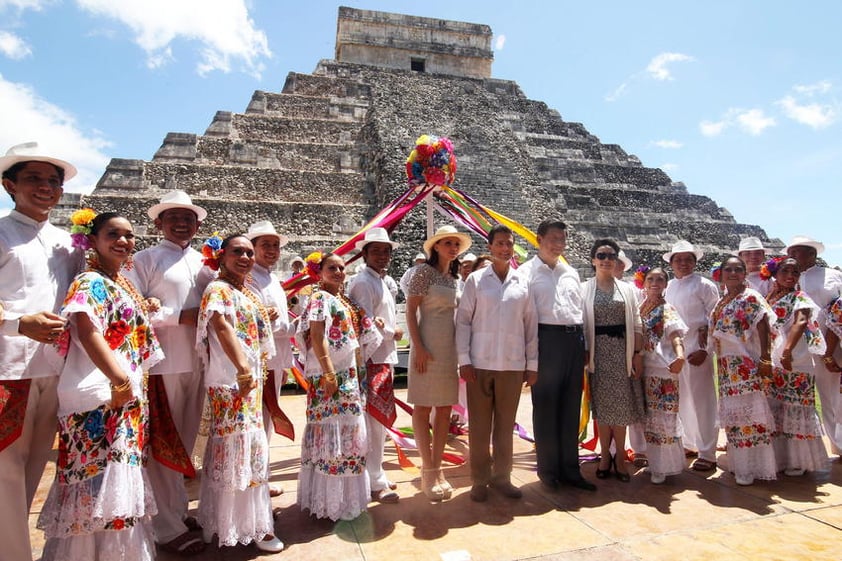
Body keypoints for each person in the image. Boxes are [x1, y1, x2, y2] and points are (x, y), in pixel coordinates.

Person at [37, 211, 163, 560]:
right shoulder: (89, 282)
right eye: (113, 234)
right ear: (91, 240)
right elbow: (86, 328)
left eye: (128, 235)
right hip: (101, 395)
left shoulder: (119, 284)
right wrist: (119, 378)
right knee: (95, 487)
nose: (123, 241)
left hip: (122, 394)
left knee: (115, 485)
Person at [0, 144, 84, 561]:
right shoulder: (1, 233)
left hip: (54, 369)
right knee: (5, 472)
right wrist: (17, 324)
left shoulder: (68, 245)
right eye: (34, 178)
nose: (46, 187)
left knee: (34, 466)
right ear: (9, 185)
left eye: (53, 180)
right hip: (7, 368)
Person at [125, 190, 214, 555]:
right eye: (173, 217)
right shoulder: (144, 260)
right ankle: (165, 527)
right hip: (163, 365)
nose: (181, 223)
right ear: (159, 223)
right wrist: (179, 317)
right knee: (164, 444)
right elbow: (131, 310)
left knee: (187, 440)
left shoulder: (207, 264)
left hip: (200, 362)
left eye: (188, 218)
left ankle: (176, 511)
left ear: (197, 224)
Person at [195, 234, 283, 553]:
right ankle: (244, 525)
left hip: (246, 380)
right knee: (237, 450)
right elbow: (221, 327)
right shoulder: (218, 289)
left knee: (240, 449)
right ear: (221, 257)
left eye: (248, 252)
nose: (245, 257)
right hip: (231, 381)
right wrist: (243, 368)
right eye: (237, 252)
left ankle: (225, 521)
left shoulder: (246, 292)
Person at [456, 225, 538, 502]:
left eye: (509, 243)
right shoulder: (477, 280)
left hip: (513, 366)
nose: (505, 248)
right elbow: (463, 321)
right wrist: (464, 360)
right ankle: (479, 480)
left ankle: (502, 478)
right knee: (479, 426)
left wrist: (532, 364)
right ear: (489, 247)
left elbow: (531, 326)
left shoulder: (523, 282)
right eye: (500, 243)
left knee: (505, 426)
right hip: (479, 363)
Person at [297, 252, 380, 520]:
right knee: (331, 432)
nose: (338, 272)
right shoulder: (320, 298)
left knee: (346, 433)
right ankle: (331, 502)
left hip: (347, 375)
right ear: (318, 272)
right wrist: (329, 372)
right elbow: (318, 334)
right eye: (331, 267)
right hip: (331, 375)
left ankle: (342, 500)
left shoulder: (342, 301)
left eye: (342, 268)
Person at [518, 219, 595, 491]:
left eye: (562, 239)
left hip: (573, 341)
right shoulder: (526, 273)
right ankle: (548, 470)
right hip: (545, 340)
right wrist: (529, 357)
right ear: (539, 239)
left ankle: (571, 470)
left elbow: (580, 311)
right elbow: (524, 317)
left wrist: (584, 346)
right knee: (546, 407)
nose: (559, 244)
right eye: (553, 238)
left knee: (571, 406)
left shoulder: (571, 272)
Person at [406, 225, 471, 500]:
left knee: (444, 409)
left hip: (448, 350)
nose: (452, 248)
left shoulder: (455, 279)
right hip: (426, 347)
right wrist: (419, 347)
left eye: (456, 244)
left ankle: (437, 469)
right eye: (447, 243)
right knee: (423, 408)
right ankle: (428, 469)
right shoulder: (423, 273)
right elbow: (410, 312)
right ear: (436, 247)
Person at [709, 256, 777, 485]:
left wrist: (766, 356)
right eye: (728, 269)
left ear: (745, 273)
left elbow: (763, 324)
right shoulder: (724, 300)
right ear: (721, 274)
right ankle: (740, 464)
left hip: (744, 363)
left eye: (738, 269)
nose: (733, 273)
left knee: (750, 416)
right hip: (727, 366)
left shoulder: (750, 296)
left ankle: (753, 468)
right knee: (735, 418)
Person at [582, 239, 645, 483]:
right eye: (601, 255)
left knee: (621, 406)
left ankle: (619, 455)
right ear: (593, 260)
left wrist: (638, 354)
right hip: (597, 354)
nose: (606, 259)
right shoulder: (583, 288)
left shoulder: (627, 289)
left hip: (621, 353)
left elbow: (637, 322)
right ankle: (604, 455)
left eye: (611, 255)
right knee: (603, 407)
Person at [347, 227, 403, 504]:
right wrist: (393, 332)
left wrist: (390, 332)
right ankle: (373, 479)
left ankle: (375, 474)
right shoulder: (362, 283)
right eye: (377, 250)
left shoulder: (380, 281)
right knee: (374, 422)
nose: (383, 255)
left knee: (378, 422)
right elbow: (364, 325)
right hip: (372, 359)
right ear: (364, 253)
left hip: (382, 357)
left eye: (386, 250)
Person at [762, 256, 829, 476]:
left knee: (796, 407)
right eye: (785, 272)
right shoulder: (769, 298)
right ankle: (781, 457)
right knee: (777, 407)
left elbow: (800, 322)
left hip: (795, 359)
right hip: (775, 359)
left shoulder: (801, 297)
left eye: (795, 273)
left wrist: (788, 350)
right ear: (774, 274)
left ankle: (799, 461)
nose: (790, 276)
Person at [245, 220, 297, 495]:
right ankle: (255, 480)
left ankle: (261, 477)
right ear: (252, 248)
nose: (272, 250)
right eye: (266, 245)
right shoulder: (249, 277)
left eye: (275, 246)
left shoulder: (272, 278)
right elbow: (258, 323)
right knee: (258, 423)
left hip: (275, 360)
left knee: (265, 423)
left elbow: (279, 323)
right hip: (259, 360)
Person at [663, 240, 720, 472]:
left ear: (695, 262)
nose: (683, 263)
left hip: (697, 350)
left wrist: (706, 350)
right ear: (672, 263)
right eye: (679, 259)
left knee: (703, 401)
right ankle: (689, 443)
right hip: (676, 351)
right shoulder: (670, 287)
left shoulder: (705, 285)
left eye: (688, 259)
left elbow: (715, 319)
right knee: (683, 400)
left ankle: (708, 452)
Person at [786, 235, 842, 457]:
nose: (792, 256)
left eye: (797, 251)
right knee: (811, 400)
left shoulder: (833, 276)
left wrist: (829, 349)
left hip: (833, 344)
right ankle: (834, 445)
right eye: (791, 252)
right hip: (800, 349)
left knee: (835, 395)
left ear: (812, 254)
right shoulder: (786, 279)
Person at [635, 266, 688, 484]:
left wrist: (680, 355)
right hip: (645, 368)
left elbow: (675, 335)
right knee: (650, 418)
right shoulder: (641, 307)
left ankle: (664, 466)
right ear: (644, 283)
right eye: (651, 279)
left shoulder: (667, 309)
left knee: (663, 417)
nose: (655, 283)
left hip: (663, 368)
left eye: (659, 280)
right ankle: (655, 462)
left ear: (666, 285)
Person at [616, 249, 648, 467]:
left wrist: (638, 353)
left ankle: (640, 449)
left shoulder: (632, 290)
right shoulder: (589, 287)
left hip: (629, 349)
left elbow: (639, 323)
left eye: (617, 262)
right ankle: (611, 449)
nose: (611, 265)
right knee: (610, 401)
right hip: (605, 349)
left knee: (635, 398)